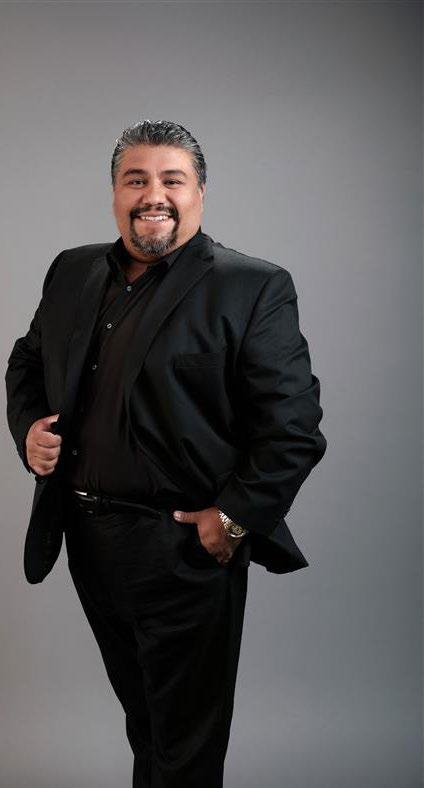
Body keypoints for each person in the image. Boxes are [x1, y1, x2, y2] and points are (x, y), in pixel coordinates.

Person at [5, 119, 327, 788]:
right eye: (136, 180)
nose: (154, 195)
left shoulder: (252, 286)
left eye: (172, 180)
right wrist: (30, 425)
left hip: (183, 548)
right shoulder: (71, 270)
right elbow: (27, 361)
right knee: (147, 727)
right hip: (88, 539)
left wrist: (232, 519)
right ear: (114, 193)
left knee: (185, 746)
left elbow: (293, 427)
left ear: (200, 192)